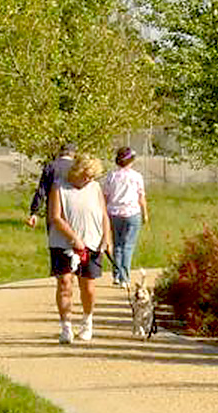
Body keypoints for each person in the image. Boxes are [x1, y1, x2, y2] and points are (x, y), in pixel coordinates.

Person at [48, 153, 111, 343]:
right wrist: (74, 238)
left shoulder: (95, 188)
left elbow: (103, 215)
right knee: (65, 283)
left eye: (92, 176)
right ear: (76, 171)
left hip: (92, 241)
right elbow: (55, 217)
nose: (89, 180)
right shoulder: (59, 187)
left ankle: (87, 321)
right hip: (63, 244)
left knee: (88, 287)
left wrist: (107, 238)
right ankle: (66, 327)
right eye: (86, 175)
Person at [103, 146, 148, 287]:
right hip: (132, 213)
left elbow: (105, 196)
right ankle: (125, 277)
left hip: (114, 213)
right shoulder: (136, 176)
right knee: (127, 245)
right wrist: (145, 213)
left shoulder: (111, 176)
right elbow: (141, 197)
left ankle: (117, 274)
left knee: (117, 245)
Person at [27, 142, 76, 229]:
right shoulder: (76, 167)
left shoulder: (51, 166)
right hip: (73, 209)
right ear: (72, 153)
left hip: (52, 209)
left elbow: (41, 191)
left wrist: (34, 212)